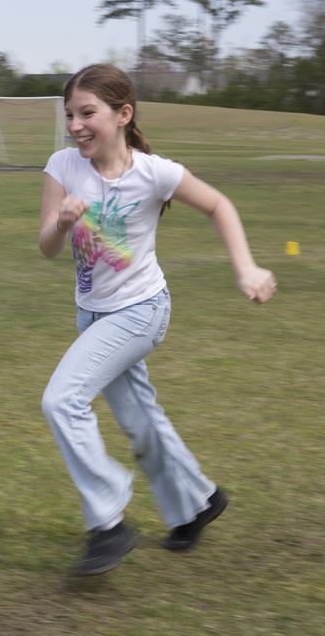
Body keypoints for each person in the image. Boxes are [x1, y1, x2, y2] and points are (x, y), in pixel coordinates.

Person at [38, 64, 277, 576]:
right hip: (93, 315)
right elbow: (46, 249)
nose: (76, 125)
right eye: (70, 116)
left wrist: (246, 267)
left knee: (62, 399)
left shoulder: (155, 173)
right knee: (140, 420)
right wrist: (60, 224)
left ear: (122, 115)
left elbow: (219, 205)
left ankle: (107, 522)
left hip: (142, 311)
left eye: (88, 113)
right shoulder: (62, 166)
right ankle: (197, 503)